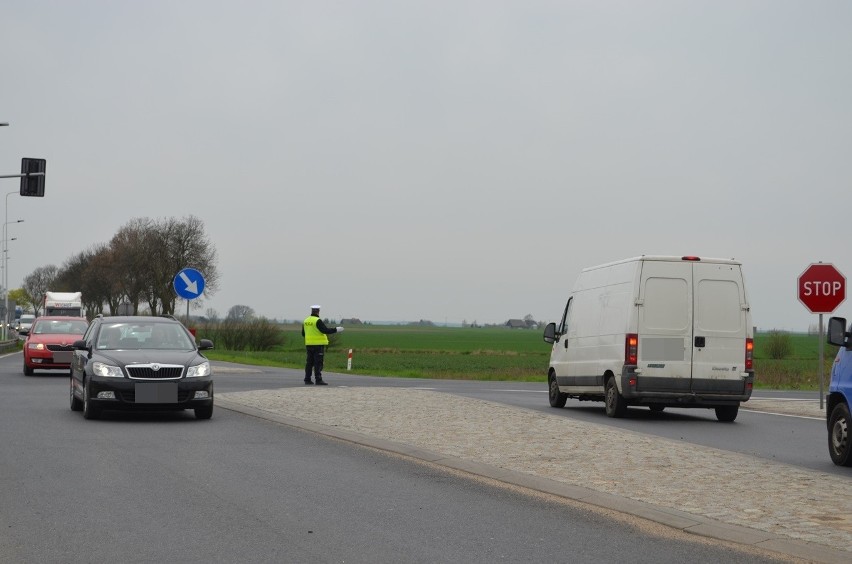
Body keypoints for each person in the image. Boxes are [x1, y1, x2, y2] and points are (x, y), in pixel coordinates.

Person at [301, 305, 344, 385]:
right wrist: (336, 330)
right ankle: (318, 379)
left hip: (309, 344)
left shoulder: (306, 321)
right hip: (318, 345)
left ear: (312, 311)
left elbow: (303, 334)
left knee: (309, 363)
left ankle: (307, 379)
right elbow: (325, 330)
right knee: (318, 362)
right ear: (318, 311)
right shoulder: (317, 320)